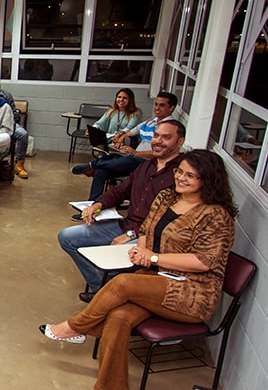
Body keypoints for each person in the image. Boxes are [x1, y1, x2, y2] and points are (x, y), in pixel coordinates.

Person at [41, 149, 236, 390]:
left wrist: (153, 258)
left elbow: (203, 262)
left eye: (190, 176)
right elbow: (146, 229)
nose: (181, 178)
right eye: (180, 172)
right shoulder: (167, 197)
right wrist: (140, 251)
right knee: (118, 318)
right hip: (155, 279)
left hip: (192, 293)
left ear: (208, 180)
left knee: (123, 283)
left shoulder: (216, 215)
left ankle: (75, 327)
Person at [59, 119, 186, 302]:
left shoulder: (180, 175)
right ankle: (104, 289)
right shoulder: (145, 165)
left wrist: (131, 233)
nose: (158, 141)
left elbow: (167, 219)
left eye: (166, 137)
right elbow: (121, 190)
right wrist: (97, 205)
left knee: (122, 258)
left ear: (179, 142)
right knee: (67, 237)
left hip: (150, 238)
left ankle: (109, 292)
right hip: (126, 225)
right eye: (156, 135)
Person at [72, 92, 178, 201]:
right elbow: (131, 131)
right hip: (134, 159)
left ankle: (92, 165)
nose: (157, 108)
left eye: (162, 105)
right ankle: (92, 207)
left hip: (148, 163)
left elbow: (162, 153)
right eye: (156, 104)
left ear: (171, 108)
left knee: (122, 160)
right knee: (101, 172)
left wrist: (136, 153)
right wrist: (121, 137)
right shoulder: (150, 122)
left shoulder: (171, 128)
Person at [0, 75, 30, 179]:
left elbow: (7, 129)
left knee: (22, 134)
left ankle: (19, 164)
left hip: (1, 133)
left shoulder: (5, 105)